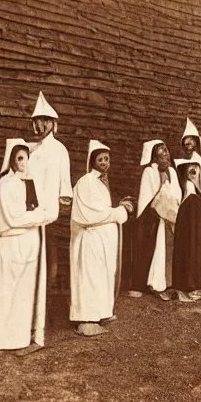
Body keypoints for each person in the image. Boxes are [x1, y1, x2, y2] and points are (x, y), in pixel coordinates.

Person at [0, 139, 47, 356]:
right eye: (19, 158)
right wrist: (40, 216)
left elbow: (36, 210)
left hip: (27, 244)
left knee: (22, 293)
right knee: (2, 291)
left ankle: (18, 339)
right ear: (12, 161)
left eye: (26, 158)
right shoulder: (6, 184)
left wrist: (38, 216)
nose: (23, 162)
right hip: (9, 244)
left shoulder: (30, 183)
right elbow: (14, 217)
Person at [70, 140, 134, 336]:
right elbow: (90, 213)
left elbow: (105, 208)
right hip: (90, 239)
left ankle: (101, 313)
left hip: (102, 241)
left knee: (102, 276)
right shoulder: (86, 182)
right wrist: (120, 211)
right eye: (100, 159)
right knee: (90, 277)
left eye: (107, 158)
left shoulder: (101, 183)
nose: (104, 162)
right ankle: (86, 320)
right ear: (92, 162)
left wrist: (118, 208)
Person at [27, 91, 73, 290]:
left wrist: (64, 199)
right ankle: (33, 285)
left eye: (45, 121)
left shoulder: (59, 149)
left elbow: (64, 178)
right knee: (32, 245)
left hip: (49, 206)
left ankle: (49, 283)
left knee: (49, 244)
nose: (41, 125)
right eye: (38, 121)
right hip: (31, 205)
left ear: (53, 124)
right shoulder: (30, 150)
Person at [130, 140, 182, 300]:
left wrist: (171, 205)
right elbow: (146, 196)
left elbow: (177, 192)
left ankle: (168, 283)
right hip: (153, 218)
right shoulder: (149, 172)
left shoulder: (173, 172)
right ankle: (153, 284)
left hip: (169, 216)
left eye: (166, 152)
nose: (165, 156)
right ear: (154, 158)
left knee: (170, 250)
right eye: (161, 153)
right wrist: (159, 206)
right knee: (155, 249)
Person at [172, 160, 201, 302]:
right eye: (192, 172)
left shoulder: (193, 197)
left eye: (196, 172)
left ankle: (193, 287)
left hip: (194, 232)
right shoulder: (191, 197)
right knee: (192, 252)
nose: (196, 176)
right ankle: (191, 287)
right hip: (191, 232)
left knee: (193, 252)